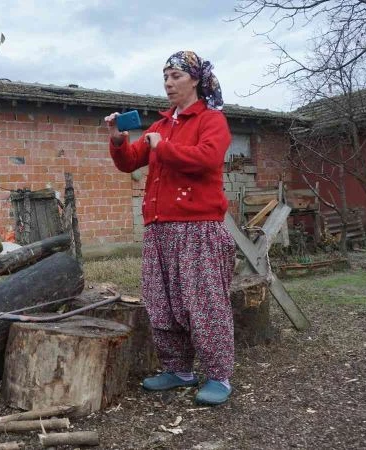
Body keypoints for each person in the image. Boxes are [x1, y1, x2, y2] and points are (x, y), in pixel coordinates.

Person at [105, 50, 236, 406]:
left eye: (175, 76)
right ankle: (179, 370)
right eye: (165, 77)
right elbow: (130, 162)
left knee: (204, 303)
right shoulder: (160, 126)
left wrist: (163, 148)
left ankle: (219, 376)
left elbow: (206, 159)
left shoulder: (211, 121)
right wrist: (118, 138)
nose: (167, 83)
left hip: (198, 228)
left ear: (195, 79)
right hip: (160, 228)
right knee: (162, 303)